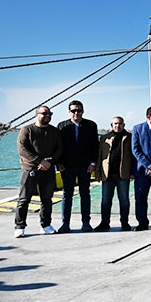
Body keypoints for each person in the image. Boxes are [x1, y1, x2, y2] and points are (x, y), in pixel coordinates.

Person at [14, 106, 63, 238]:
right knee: (24, 199)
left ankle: (46, 225)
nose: (48, 115)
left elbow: (59, 149)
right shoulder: (27, 130)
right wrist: (39, 161)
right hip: (30, 169)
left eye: (50, 113)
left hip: (48, 169)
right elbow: (22, 148)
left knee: (47, 200)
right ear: (36, 115)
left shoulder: (54, 131)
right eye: (44, 113)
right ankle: (20, 227)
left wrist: (50, 162)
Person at [56, 100, 98, 233]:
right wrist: (58, 163)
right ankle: (65, 224)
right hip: (67, 167)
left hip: (85, 167)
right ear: (69, 112)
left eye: (79, 110)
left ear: (83, 111)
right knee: (66, 195)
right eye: (73, 110)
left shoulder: (91, 125)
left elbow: (95, 146)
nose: (76, 113)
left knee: (85, 194)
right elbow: (58, 146)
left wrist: (93, 163)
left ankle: (86, 223)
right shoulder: (62, 126)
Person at [94, 117, 133, 232]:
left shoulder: (129, 138)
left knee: (124, 200)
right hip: (108, 175)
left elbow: (133, 156)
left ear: (124, 125)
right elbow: (100, 156)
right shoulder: (105, 138)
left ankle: (125, 223)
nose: (118, 126)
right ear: (112, 124)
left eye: (120, 124)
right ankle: (105, 223)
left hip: (123, 174)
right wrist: (98, 172)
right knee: (106, 200)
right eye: (115, 124)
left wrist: (133, 172)